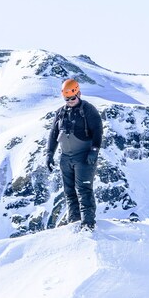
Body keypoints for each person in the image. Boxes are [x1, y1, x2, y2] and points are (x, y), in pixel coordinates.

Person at [46, 79, 103, 230]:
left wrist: (94, 151)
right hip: (65, 158)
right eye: (67, 99)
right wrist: (49, 153)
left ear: (78, 93)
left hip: (84, 157)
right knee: (69, 192)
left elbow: (98, 130)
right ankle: (74, 223)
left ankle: (88, 224)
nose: (70, 101)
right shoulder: (60, 112)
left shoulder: (88, 110)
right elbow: (53, 134)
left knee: (83, 190)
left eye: (72, 98)